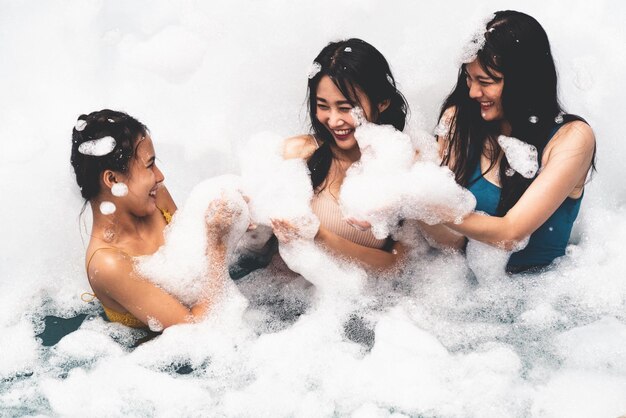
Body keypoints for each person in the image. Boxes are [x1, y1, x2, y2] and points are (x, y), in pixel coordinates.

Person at [422, 10, 596, 273]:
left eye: (486, 81)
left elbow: (511, 233)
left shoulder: (572, 138)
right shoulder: (459, 120)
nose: (472, 92)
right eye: (469, 78)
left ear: (525, 81)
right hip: (463, 291)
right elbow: (451, 242)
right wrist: (410, 197)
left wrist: (434, 207)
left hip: (542, 300)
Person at [71, 109, 236, 329]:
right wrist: (219, 243)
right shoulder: (108, 263)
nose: (160, 176)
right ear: (112, 179)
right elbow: (196, 329)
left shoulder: (157, 198)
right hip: (154, 354)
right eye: (149, 165)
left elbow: (197, 259)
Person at [273, 38, 411, 270]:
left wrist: (320, 236)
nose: (334, 120)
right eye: (323, 106)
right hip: (283, 294)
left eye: (346, 108)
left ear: (382, 103)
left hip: (361, 300)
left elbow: (396, 266)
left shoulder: (402, 169)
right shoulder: (297, 155)